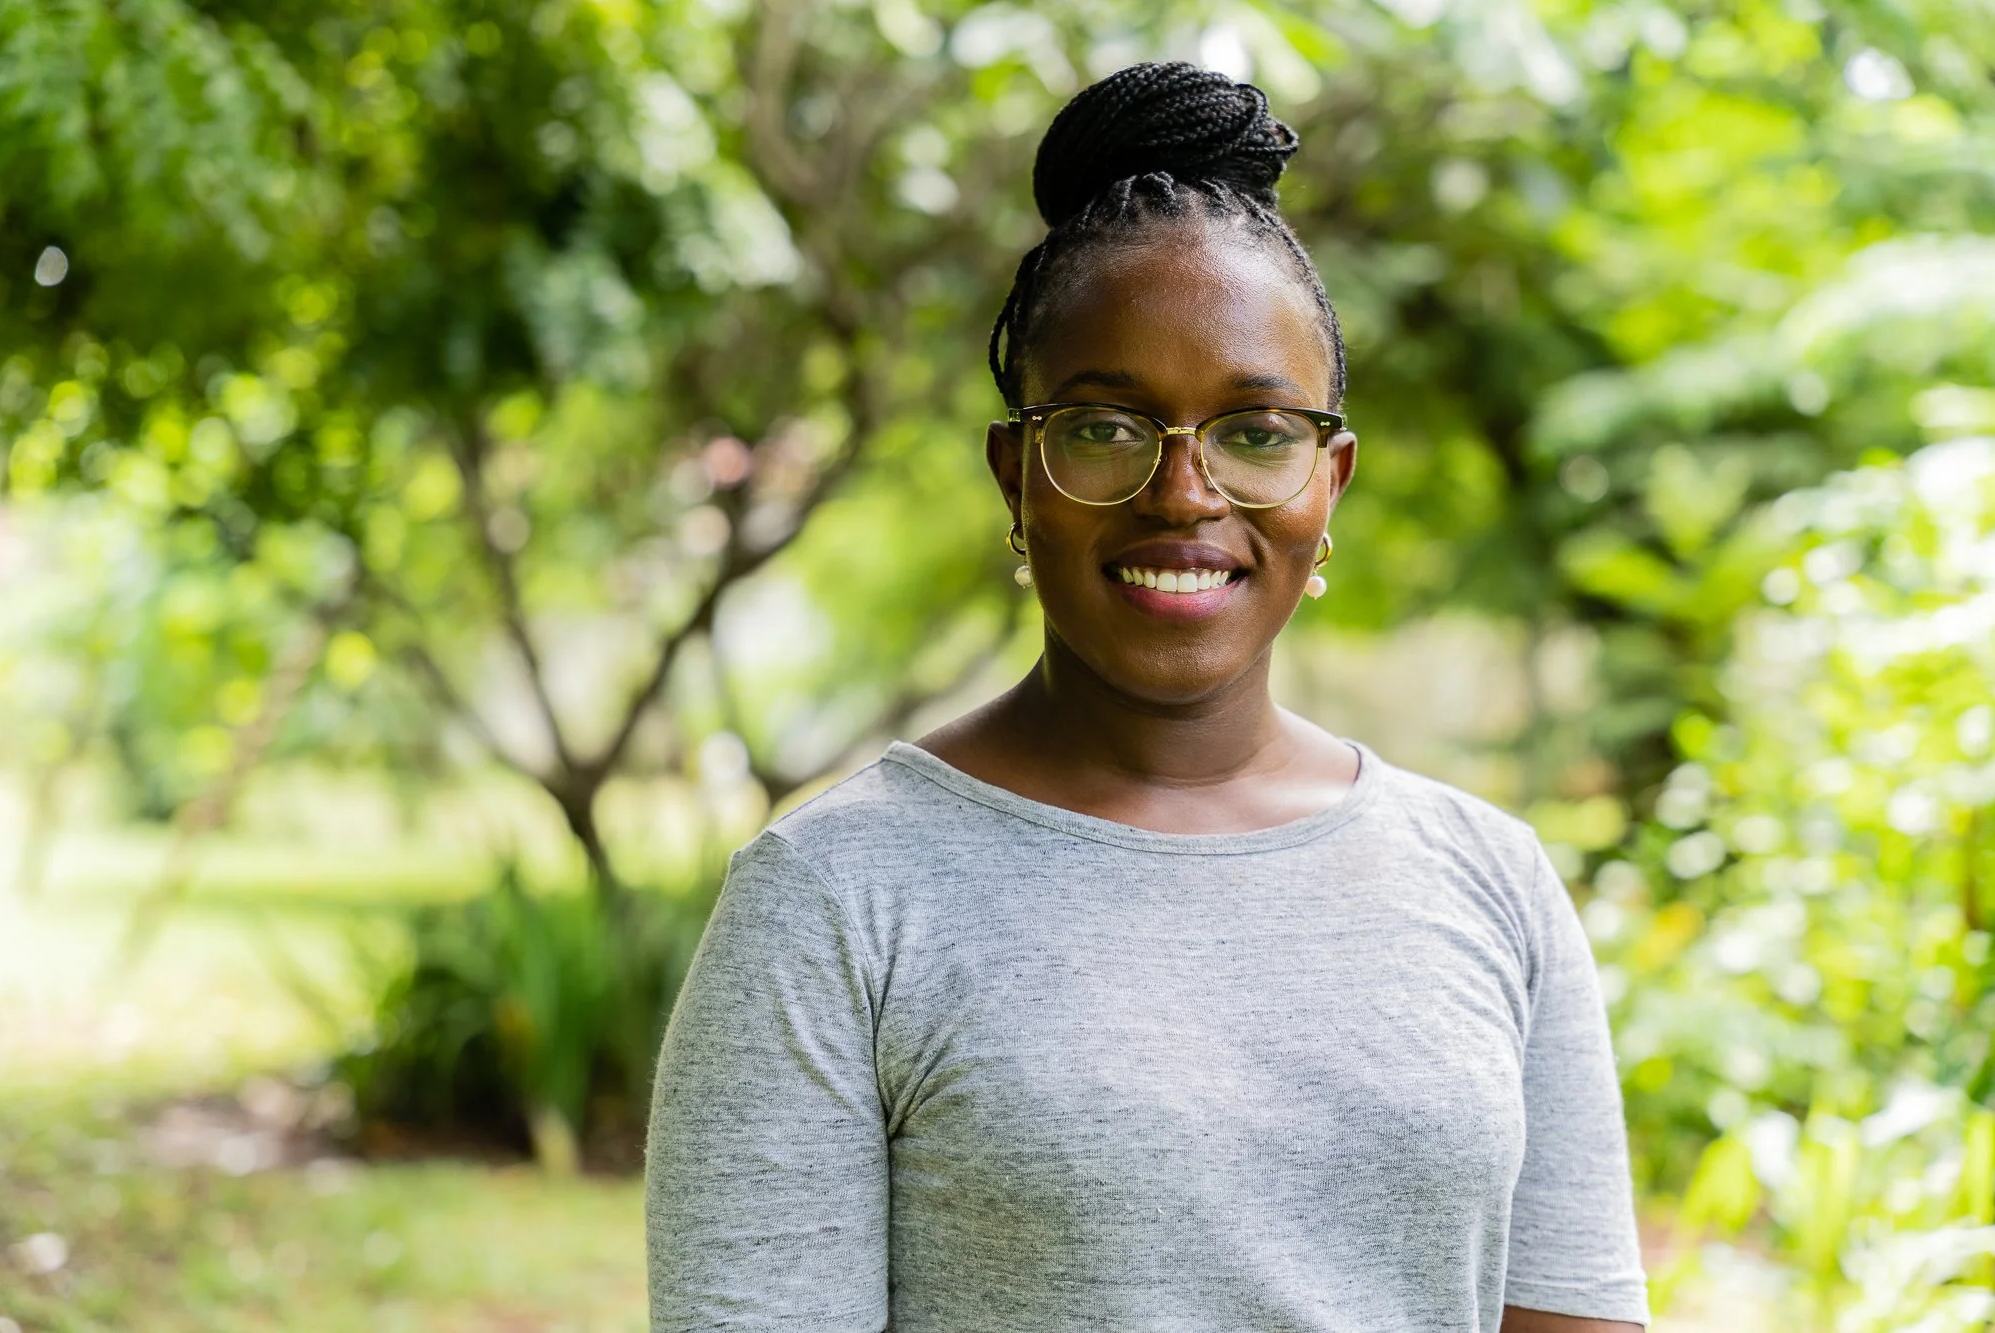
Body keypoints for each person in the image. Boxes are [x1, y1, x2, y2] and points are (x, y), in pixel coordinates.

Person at [646, 61, 1648, 1332]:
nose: (1182, 495)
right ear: (1018, 474)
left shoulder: (1489, 879)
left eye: (1254, 431)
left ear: (1327, 481)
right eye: (1105, 428)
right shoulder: (837, 901)